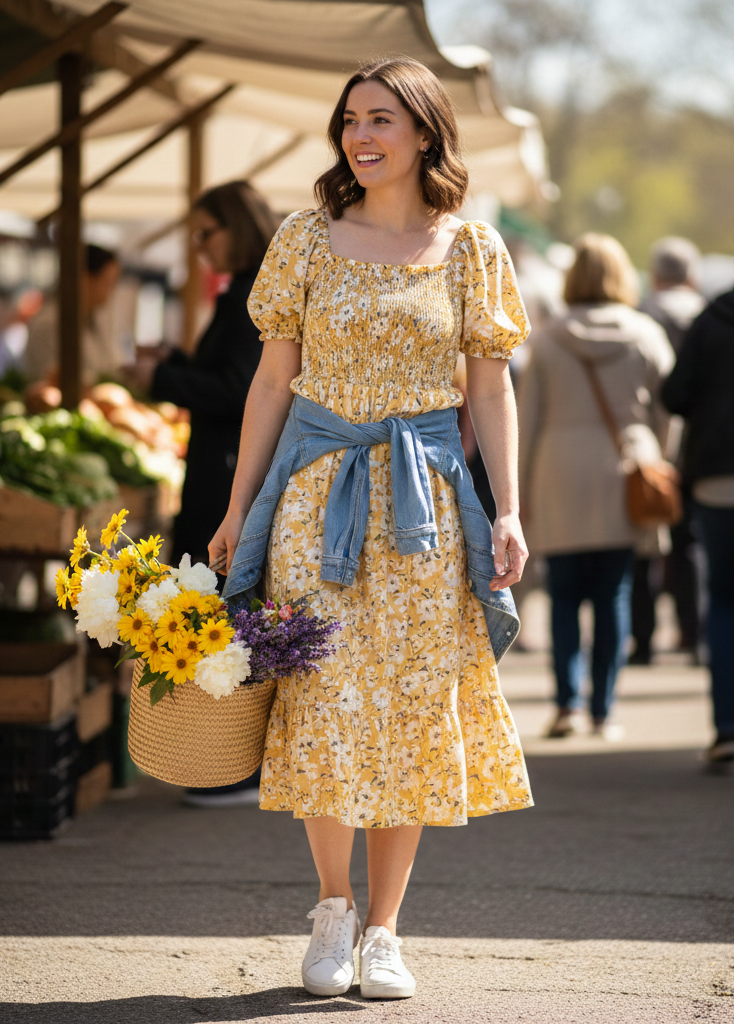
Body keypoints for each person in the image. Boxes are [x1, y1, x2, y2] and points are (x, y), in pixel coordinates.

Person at [210, 57, 533, 1000]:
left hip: (425, 514)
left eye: (382, 118)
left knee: (410, 711)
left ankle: (386, 930)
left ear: (426, 132)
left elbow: (490, 388)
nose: (361, 134)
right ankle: (329, 908)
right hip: (317, 506)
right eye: (351, 118)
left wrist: (507, 507)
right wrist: (238, 511)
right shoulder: (304, 239)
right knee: (323, 704)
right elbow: (272, 384)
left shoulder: (472, 251)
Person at [130, 180, 277, 807]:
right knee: (214, 610)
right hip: (220, 470)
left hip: (226, 477)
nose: (197, 246)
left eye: (204, 232)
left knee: (220, 609)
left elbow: (244, 388)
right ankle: (217, 759)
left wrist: (163, 376)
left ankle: (230, 764)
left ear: (235, 228)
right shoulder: (243, 288)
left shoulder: (252, 294)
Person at [518, 234, 675, 739]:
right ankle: (605, 710)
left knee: (562, 595)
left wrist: (517, 493)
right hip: (625, 468)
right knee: (614, 593)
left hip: (557, 471)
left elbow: (527, 419)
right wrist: (658, 456)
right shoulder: (646, 335)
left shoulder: (545, 339)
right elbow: (668, 413)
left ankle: (567, 704)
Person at [661, 214, 734, 770]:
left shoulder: (714, 318)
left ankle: (727, 731)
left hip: (723, 478)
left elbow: (675, 394)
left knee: (726, 603)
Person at [630, 238, 706, 663]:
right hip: (700, 445)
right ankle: (691, 632)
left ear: (655, 275)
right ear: (691, 275)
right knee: (689, 541)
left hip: (648, 444)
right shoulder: (707, 315)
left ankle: (643, 640)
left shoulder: (644, 314)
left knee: (645, 540)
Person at [23, 244, 123, 387]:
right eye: (108, 283)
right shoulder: (49, 325)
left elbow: (109, 368)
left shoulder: (96, 320)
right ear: (85, 279)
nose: (111, 292)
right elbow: (54, 380)